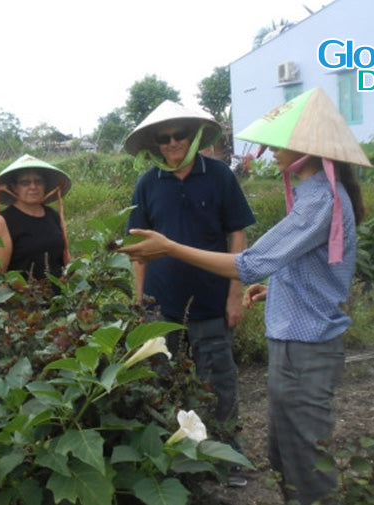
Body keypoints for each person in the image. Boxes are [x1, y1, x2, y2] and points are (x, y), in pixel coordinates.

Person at [120, 87, 370, 505]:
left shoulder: (319, 201)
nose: (271, 152)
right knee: (286, 451)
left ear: (307, 150)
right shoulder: (314, 196)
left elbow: (249, 262)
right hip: (293, 341)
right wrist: (278, 288)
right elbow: (311, 265)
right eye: (164, 138)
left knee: (304, 456)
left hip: (304, 347)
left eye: (280, 144)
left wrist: (171, 248)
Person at [123, 100, 256, 485]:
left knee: (219, 383)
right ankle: (177, 460)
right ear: (156, 145)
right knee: (161, 385)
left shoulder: (218, 175)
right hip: (162, 306)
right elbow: (137, 248)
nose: (172, 143)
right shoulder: (148, 183)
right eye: (164, 139)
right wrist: (139, 302)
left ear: (194, 136)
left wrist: (234, 294)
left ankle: (228, 457)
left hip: (212, 301)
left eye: (179, 135)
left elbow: (236, 234)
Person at [0, 154, 72, 282]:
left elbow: (65, 257)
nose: (33, 187)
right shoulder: (3, 221)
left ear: (45, 185)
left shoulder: (53, 215)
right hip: (22, 294)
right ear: (14, 188)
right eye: (25, 183)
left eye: (38, 181)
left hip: (59, 292)